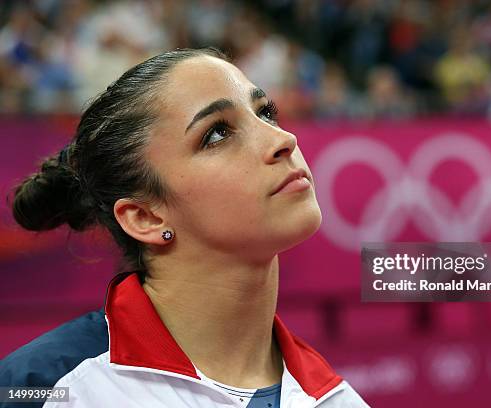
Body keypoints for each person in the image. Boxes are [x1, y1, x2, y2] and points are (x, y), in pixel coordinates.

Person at [1, 47, 369, 408]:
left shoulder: (337, 400)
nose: (283, 140)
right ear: (145, 217)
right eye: (216, 133)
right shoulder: (44, 389)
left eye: (266, 114)